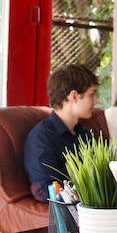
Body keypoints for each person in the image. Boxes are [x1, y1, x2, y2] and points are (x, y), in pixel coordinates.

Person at [24, 64, 99, 202]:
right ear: (74, 96)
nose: (96, 101)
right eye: (92, 94)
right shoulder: (41, 138)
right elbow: (45, 190)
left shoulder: (85, 135)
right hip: (76, 210)